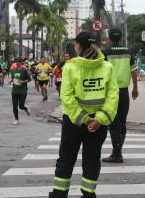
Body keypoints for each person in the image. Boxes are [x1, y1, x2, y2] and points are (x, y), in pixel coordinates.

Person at [49, 32, 119, 198]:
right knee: (92, 159)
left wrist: (84, 119)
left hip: (74, 122)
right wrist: (99, 119)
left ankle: (59, 194)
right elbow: (113, 96)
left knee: (66, 158)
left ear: (79, 46)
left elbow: (66, 97)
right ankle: (88, 194)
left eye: (75, 44)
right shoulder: (107, 67)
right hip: (98, 124)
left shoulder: (70, 66)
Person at [101, 28, 139, 163]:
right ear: (121, 38)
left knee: (113, 123)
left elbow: (101, 73)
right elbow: (134, 71)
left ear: (109, 38)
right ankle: (118, 151)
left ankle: (117, 154)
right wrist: (135, 88)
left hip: (111, 92)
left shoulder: (105, 53)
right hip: (124, 92)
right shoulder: (128, 53)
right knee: (122, 123)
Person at [9, 57, 31, 125]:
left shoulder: (24, 70)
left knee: (21, 106)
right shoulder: (13, 70)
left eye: (19, 62)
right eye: (16, 62)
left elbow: (29, 79)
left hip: (23, 90)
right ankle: (16, 119)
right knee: (14, 105)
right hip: (15, 90)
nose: (18, 63)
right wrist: (11, 81)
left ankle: (25, 108)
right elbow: (13, 77)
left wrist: (23, 81)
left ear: (21, 63)